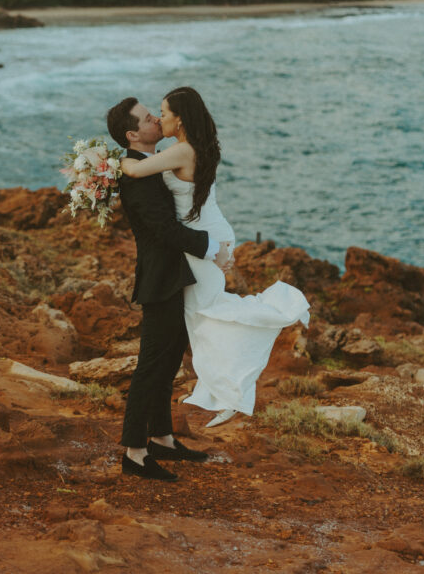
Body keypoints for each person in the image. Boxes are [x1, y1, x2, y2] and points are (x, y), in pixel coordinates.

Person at [120, 86, 310, 428]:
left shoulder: (181, 152)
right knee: (203, 317)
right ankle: (224, 390)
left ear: (179, 120)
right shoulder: (190, 148)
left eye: (163, 114)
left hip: (206, 237)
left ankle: (232, 391)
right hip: (209, 231)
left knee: (206, 314)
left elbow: (134, 170)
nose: (159, 119)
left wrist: (104, 162)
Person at [106, 96, 231, 482]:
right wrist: (210, 248)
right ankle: (134, 452)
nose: (156, 121)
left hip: (178, 274)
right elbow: (164, 230)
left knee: (169, 362)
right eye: (148, 118)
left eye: (156, 114)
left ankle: (161, 438)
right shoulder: (136, 174)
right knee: (151, 366)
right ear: (133, 134)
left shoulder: (152, 163)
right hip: (161, 278)